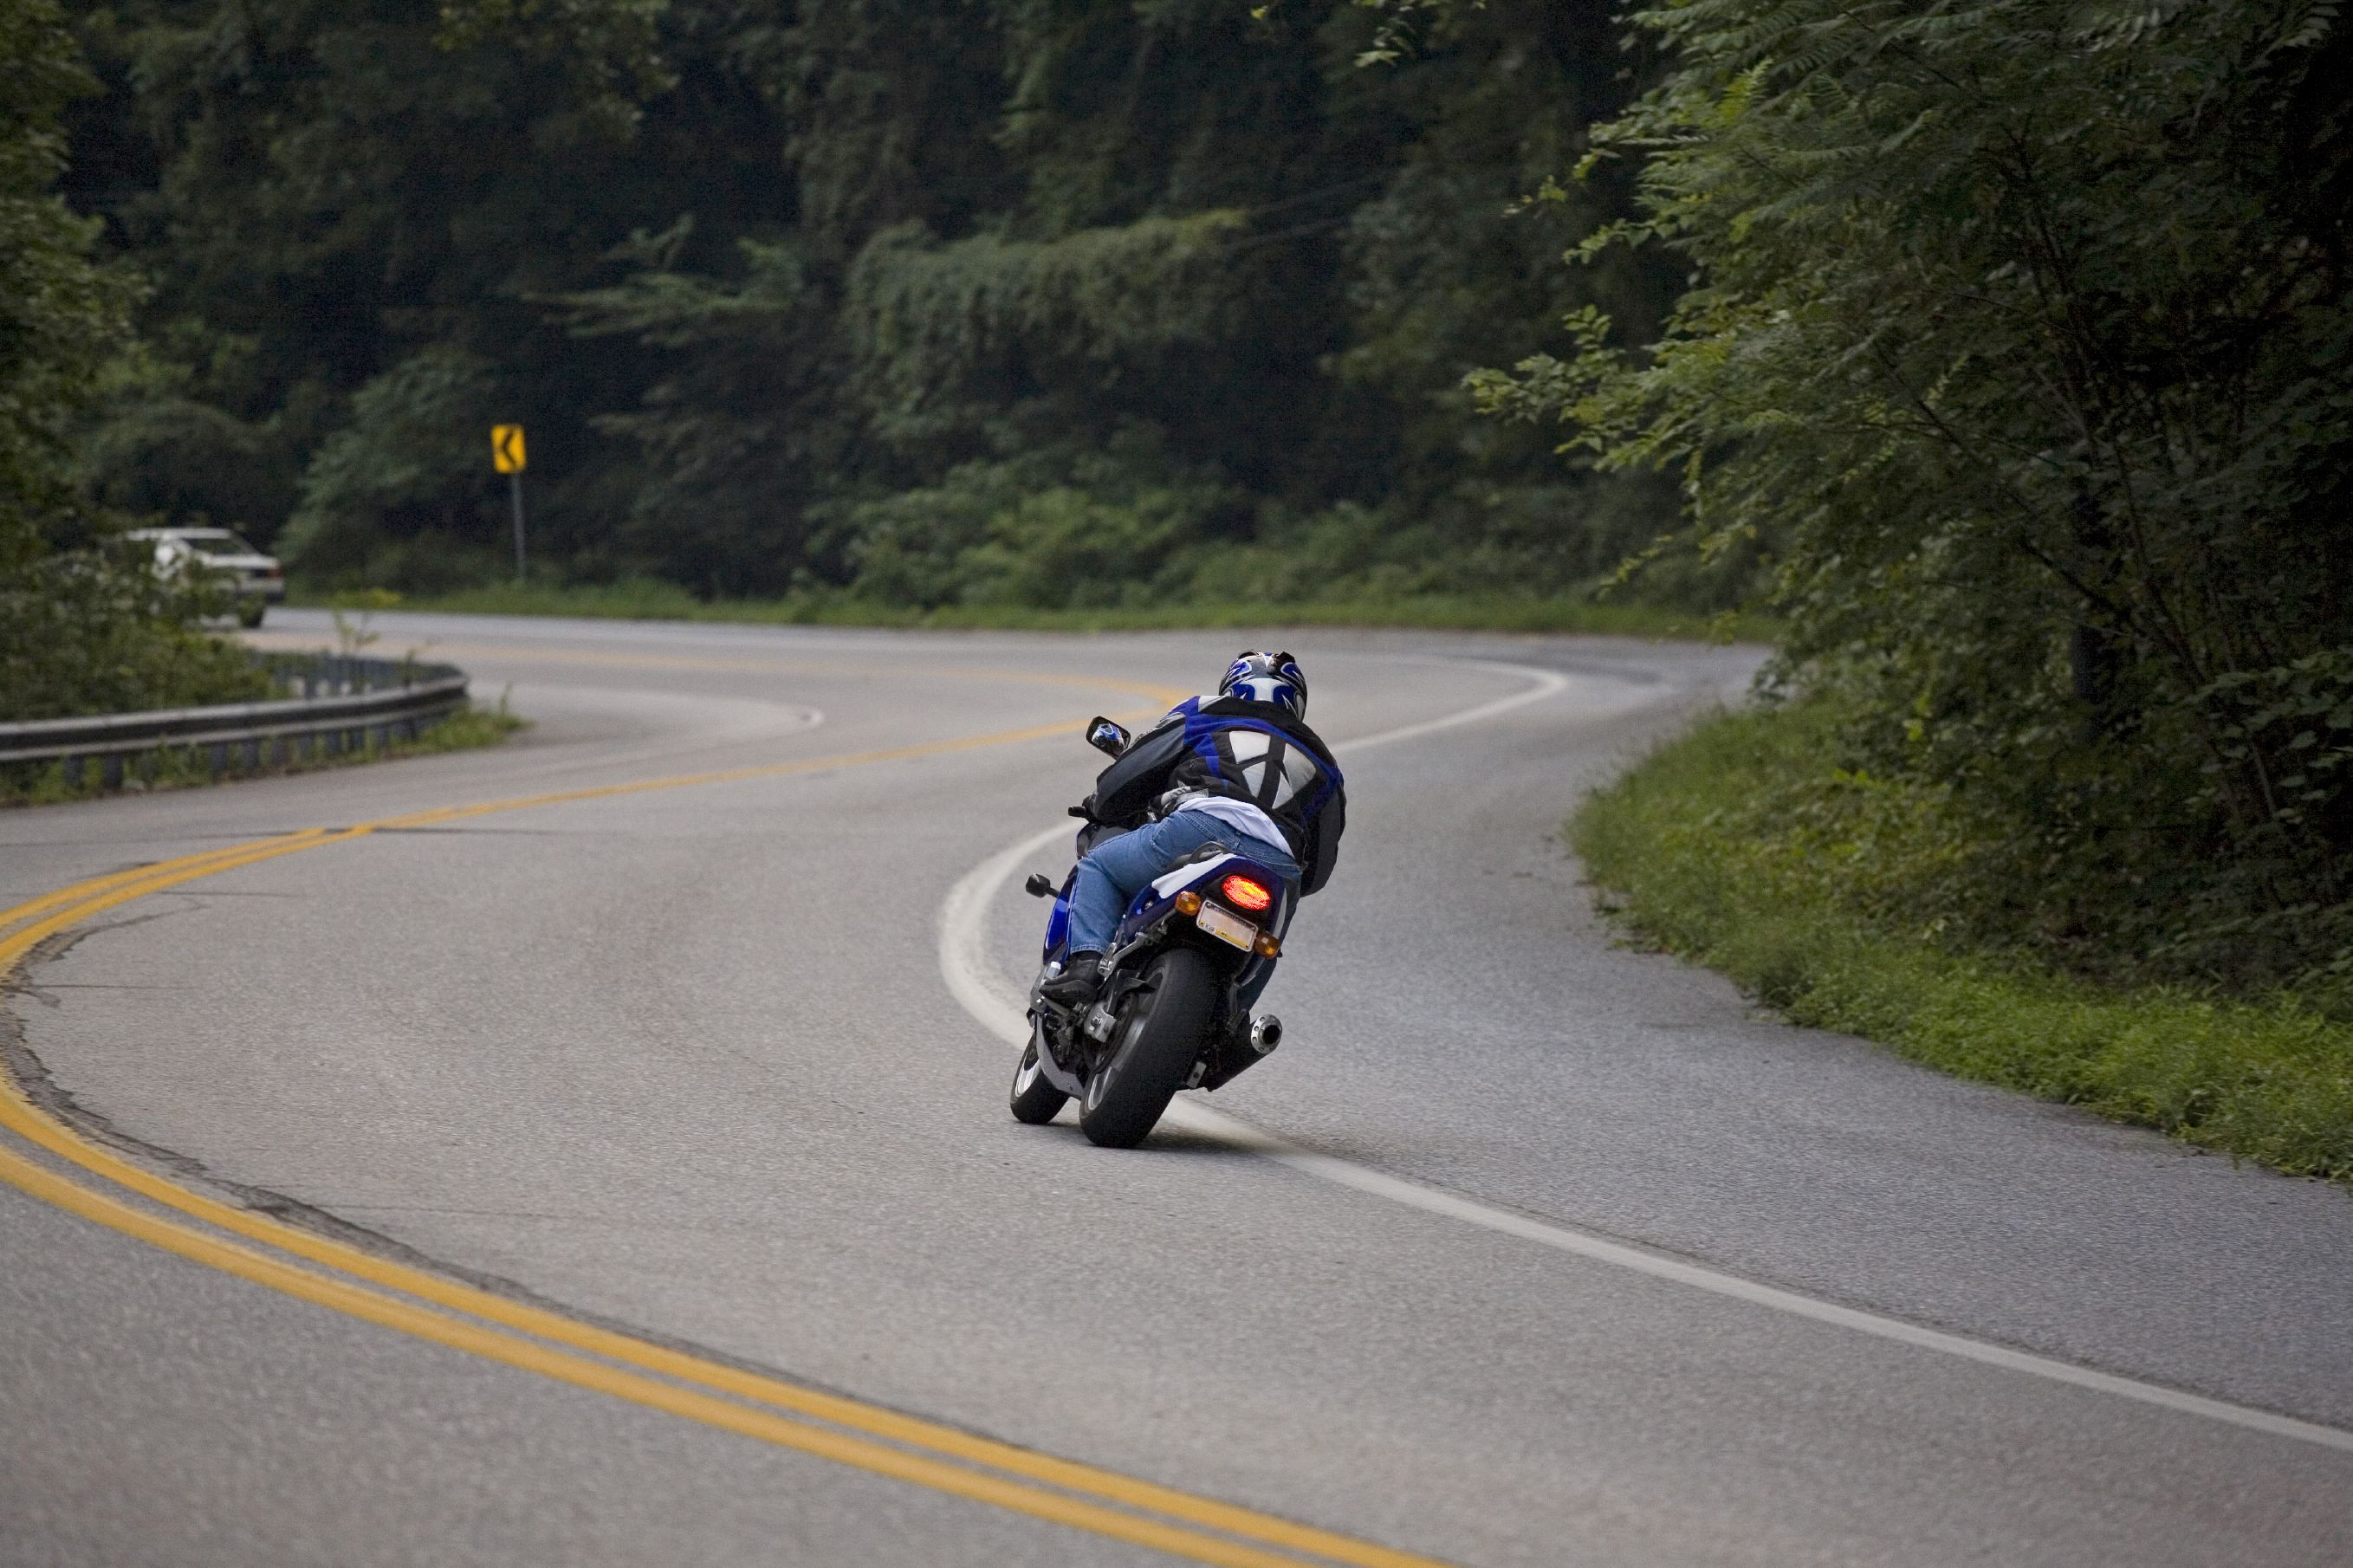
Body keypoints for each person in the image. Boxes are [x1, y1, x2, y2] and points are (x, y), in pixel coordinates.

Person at [1039, 651, 1345, 1008]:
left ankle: (1085, 968)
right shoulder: (1326, 763)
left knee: (1099, 866)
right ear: (1296, 702)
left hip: (1201, 827)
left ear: (1233, 687)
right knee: (1271, 942)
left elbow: (1135, 768)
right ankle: (1232, 1021)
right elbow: (1319, 871)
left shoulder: (1206, 710)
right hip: (1277, 866)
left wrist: (1104, 802)